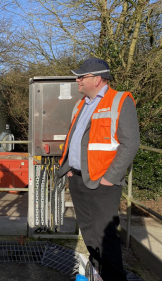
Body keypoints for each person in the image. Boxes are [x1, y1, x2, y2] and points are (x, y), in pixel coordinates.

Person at [58, 58, 140, 281]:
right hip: (78, 178)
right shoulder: (80, 104)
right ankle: (97, 274)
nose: (77, 80)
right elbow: (77, 140)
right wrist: (70, 170)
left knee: (106, 236)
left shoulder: (120, 101)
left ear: (97, 78)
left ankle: (114, 277)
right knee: (88, 232)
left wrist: (109, 178)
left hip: (103, 182)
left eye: (81, 76)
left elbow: (131, 143)